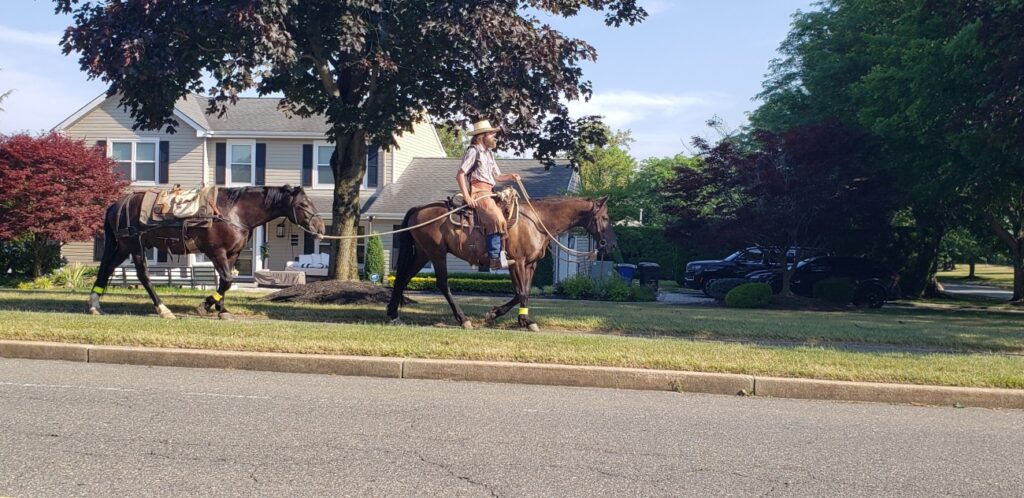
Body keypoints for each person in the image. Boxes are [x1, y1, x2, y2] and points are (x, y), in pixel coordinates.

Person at [456, 119, 521, 269]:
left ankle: (505, 251)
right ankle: (494, 258)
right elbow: (460, 174)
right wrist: (467, 196)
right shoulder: (474, 151)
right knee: (496, 219)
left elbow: (497, 176)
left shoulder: (489, 154)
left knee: (507, 211)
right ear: (482, 136)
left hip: (490, 191)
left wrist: (511, 176)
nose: (494, 136)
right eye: (491, 134)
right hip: (479, 192)